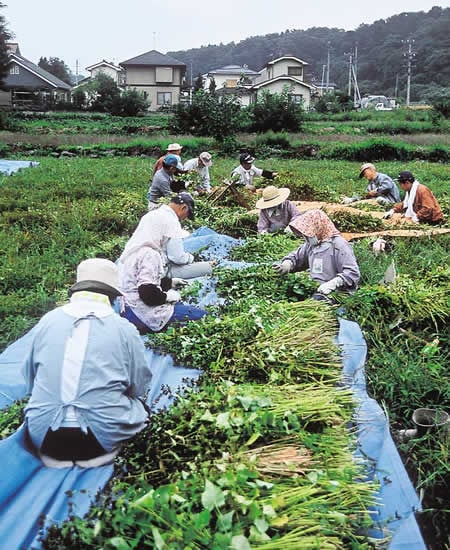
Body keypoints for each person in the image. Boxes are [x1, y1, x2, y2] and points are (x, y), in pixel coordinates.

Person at [22, 258, 152, 468]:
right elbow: (138, 387)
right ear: (112, 297)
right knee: (142, 409)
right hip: (100, 439)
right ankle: (98, 455)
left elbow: (30, 381)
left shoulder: (47, 321)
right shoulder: (124, 329)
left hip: (44, 437)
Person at [120, 192, 213, 281]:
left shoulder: (151, 214)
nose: (184, 219)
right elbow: (176, 257)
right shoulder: (172, 221)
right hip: (148, 269)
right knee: (206, 268)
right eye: (187, 215)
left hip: (128, 266)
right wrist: (190, 258)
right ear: (184, 208)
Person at [273, 209, 360, 298]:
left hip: (336, 294)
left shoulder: (339, 245)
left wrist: (334, 283)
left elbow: (352, 273)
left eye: (308, 234)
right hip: (316, 289)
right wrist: (288, 263)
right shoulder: (311, 245)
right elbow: (297, 257)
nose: (306, 237)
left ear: (318, 229)